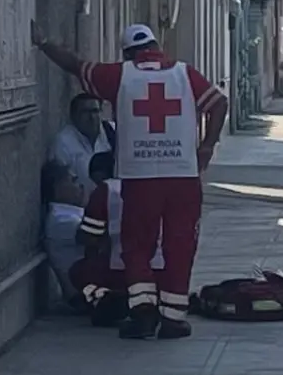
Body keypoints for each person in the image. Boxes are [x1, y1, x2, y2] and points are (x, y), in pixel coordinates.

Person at [31, 21, 229, 340]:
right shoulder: (184, 73)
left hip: (139, 177)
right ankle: (174, 318)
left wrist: (43, 44)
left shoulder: (120, 76)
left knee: (137, 246)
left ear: (127, 53)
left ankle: (143, 314)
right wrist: (206, 147)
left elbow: (75, 65)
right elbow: (219, 103)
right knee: (181, 244)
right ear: (156, 46)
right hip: (183, 177)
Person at [73, 151, 167, 327]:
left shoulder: (106, 190)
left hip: (119, 270)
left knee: (78, 273)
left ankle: (105, 297)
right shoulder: (159, 184)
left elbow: (88, 236)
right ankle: (156, 301)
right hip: (163, 270)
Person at [49, 93, 116, 202]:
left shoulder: (113, 132)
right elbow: (61, 186)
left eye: (95, 111)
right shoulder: (63, 142)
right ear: (73, 116)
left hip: (113, 202)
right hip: (83, 208)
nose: (92, 117)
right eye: (85, 112)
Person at [41, 160, 88, 309]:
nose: (80, 186)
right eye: (73, 181)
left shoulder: (71, 213)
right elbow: (100, 237)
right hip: (81, 294)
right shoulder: (61, 220)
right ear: (58, 187)